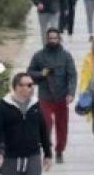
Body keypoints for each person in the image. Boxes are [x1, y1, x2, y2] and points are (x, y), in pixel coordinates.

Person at [27, 28, 78, 165]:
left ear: (59, 39)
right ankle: (46, 147)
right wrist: (41, 74)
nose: (53, 41)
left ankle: (59, 150)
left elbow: (72, 75)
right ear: (47, 39)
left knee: (62, 127)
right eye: (50, 38)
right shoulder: (39, 56)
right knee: (45, 123)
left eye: (55, 38)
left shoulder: (66, 56)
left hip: (62, 97)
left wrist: (71, 93)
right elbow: (29, 72)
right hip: (45, 96)